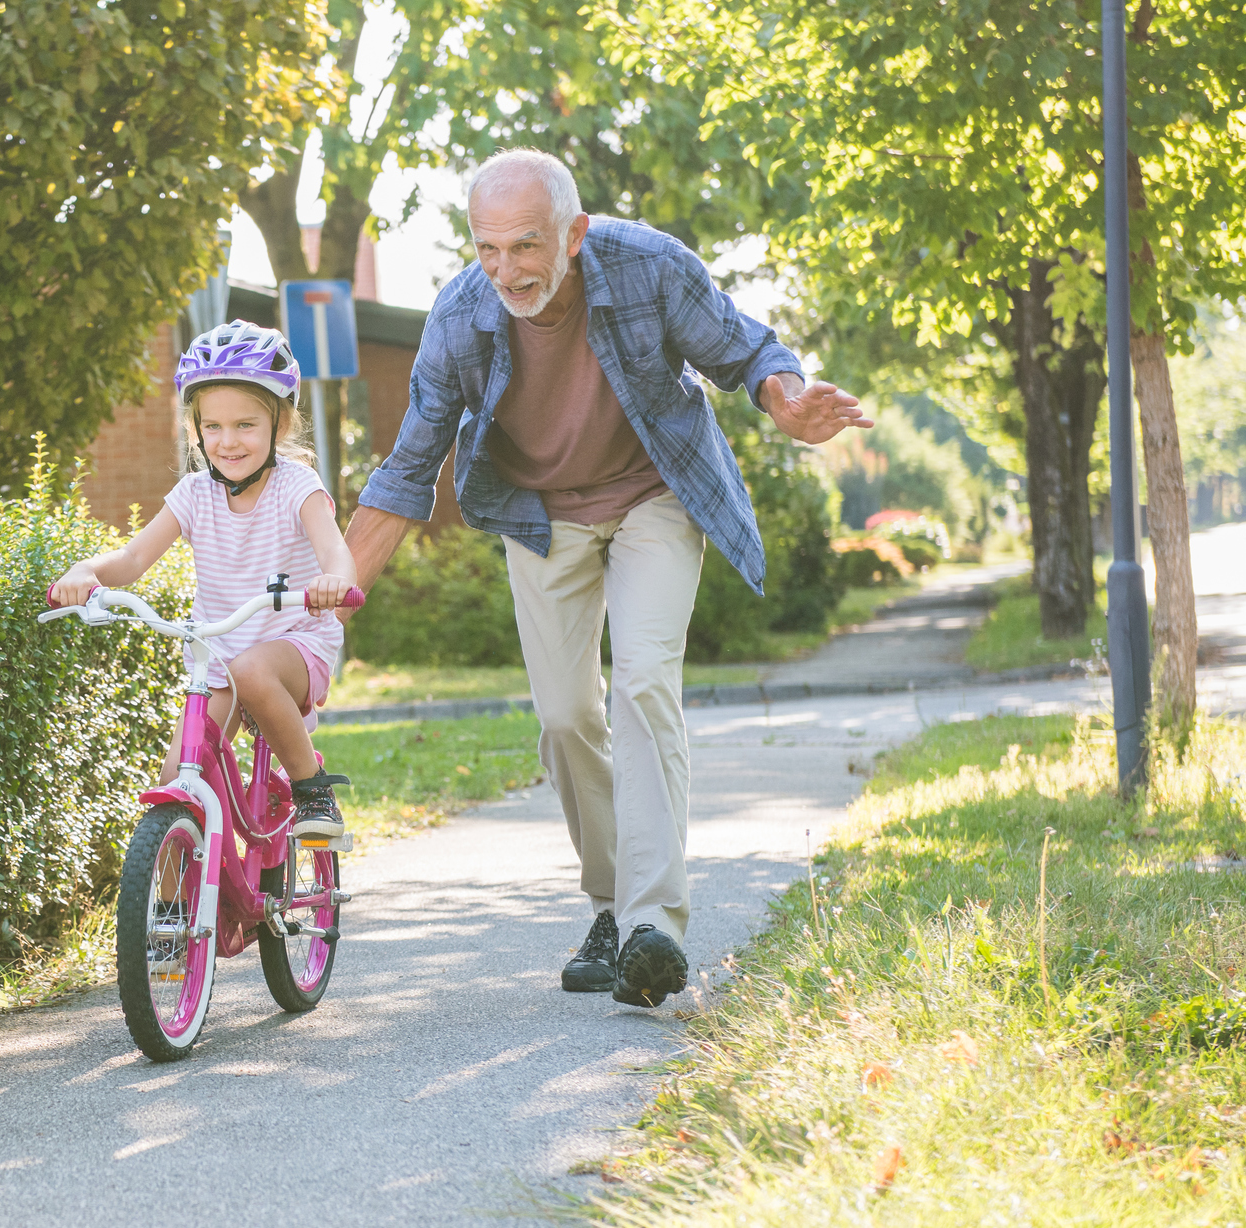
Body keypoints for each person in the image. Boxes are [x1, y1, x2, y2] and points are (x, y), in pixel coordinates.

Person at [342, 149, 872, 1007]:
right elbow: (409, 469)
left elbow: (746, 351)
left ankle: (651, 923)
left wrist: (786, 401)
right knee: (564, 716)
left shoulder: (648, 266)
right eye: (487, 249)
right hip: (538, 512)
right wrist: (332, 608)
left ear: (574, 233)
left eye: (525, 246)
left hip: (654, 493)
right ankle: (609, 905)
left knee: (644, 685)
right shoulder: (461, 315)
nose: (506, 271)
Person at [51, 321, 359, 839]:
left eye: (245, 425)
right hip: (219, 655)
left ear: (279, 425)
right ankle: (173, 911)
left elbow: (337, 553)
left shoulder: (297, 487)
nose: (228, 441)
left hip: (295, 644)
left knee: (255, 671)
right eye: (212, 427)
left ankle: (313, 790)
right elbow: (131, 559)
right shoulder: (194, 494)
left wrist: (334, 580)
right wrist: (86, 572)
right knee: (179, 779)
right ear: (195, 429)